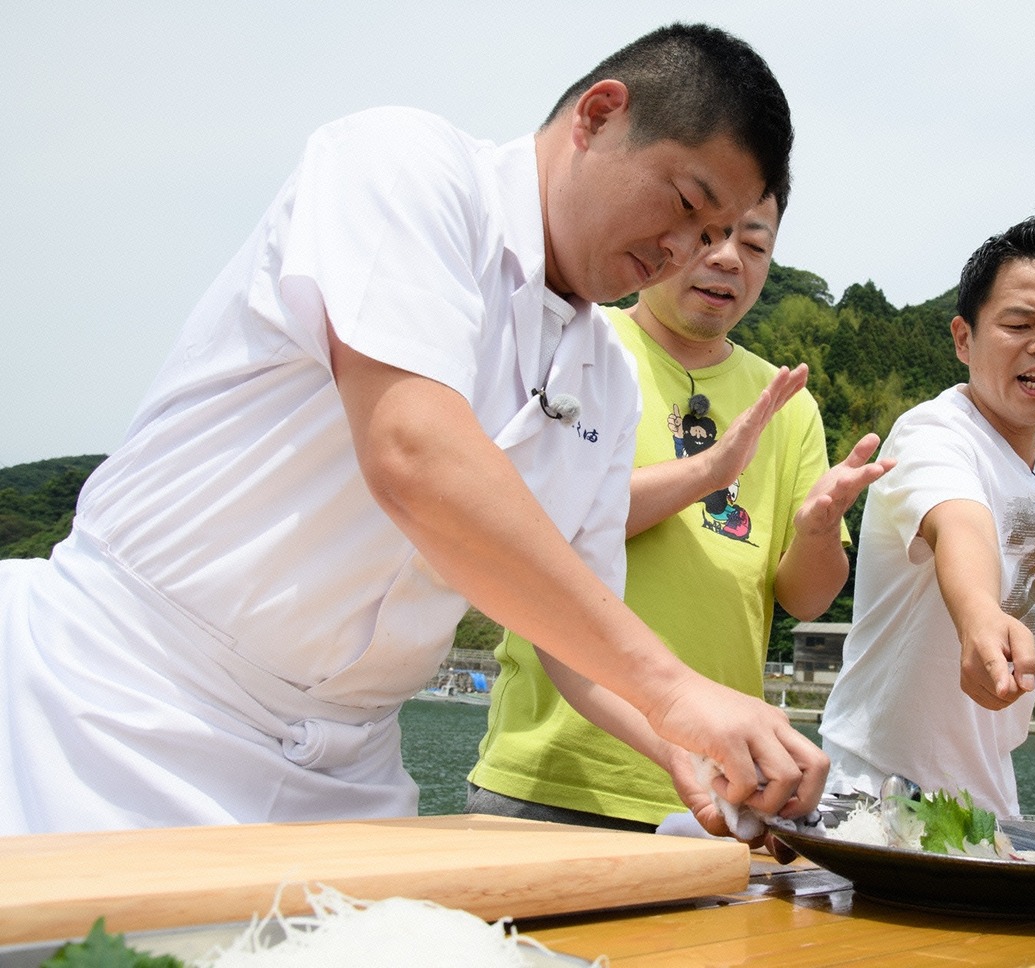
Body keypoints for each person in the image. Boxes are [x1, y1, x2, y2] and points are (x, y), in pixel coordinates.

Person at [0, 23, 827, 836]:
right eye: (685, 204)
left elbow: (574, 635)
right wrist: (676, 689)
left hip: (345, 769)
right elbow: (416, 458)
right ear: (599, 114)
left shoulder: (605, 379)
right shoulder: (407, 169)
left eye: (717, 237)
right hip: (116, 701)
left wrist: (686, 745)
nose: (684, 251)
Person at [467, 192, 893, 834]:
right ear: (663, 234)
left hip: (722, 787)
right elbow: (535, 527)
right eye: (708, 236)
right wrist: (706, 473)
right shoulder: (585, 343)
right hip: (555, 776)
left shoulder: (789, 403)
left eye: (753, 245)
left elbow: (806, 598)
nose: (727, 259)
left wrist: (817, 527)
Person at [818, 214, 1035, 820]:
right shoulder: (932, 435)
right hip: (881, 784)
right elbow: (960, 527)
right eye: (1019, 324)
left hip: (990, 787)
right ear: (963, 338)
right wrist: (977, 616)